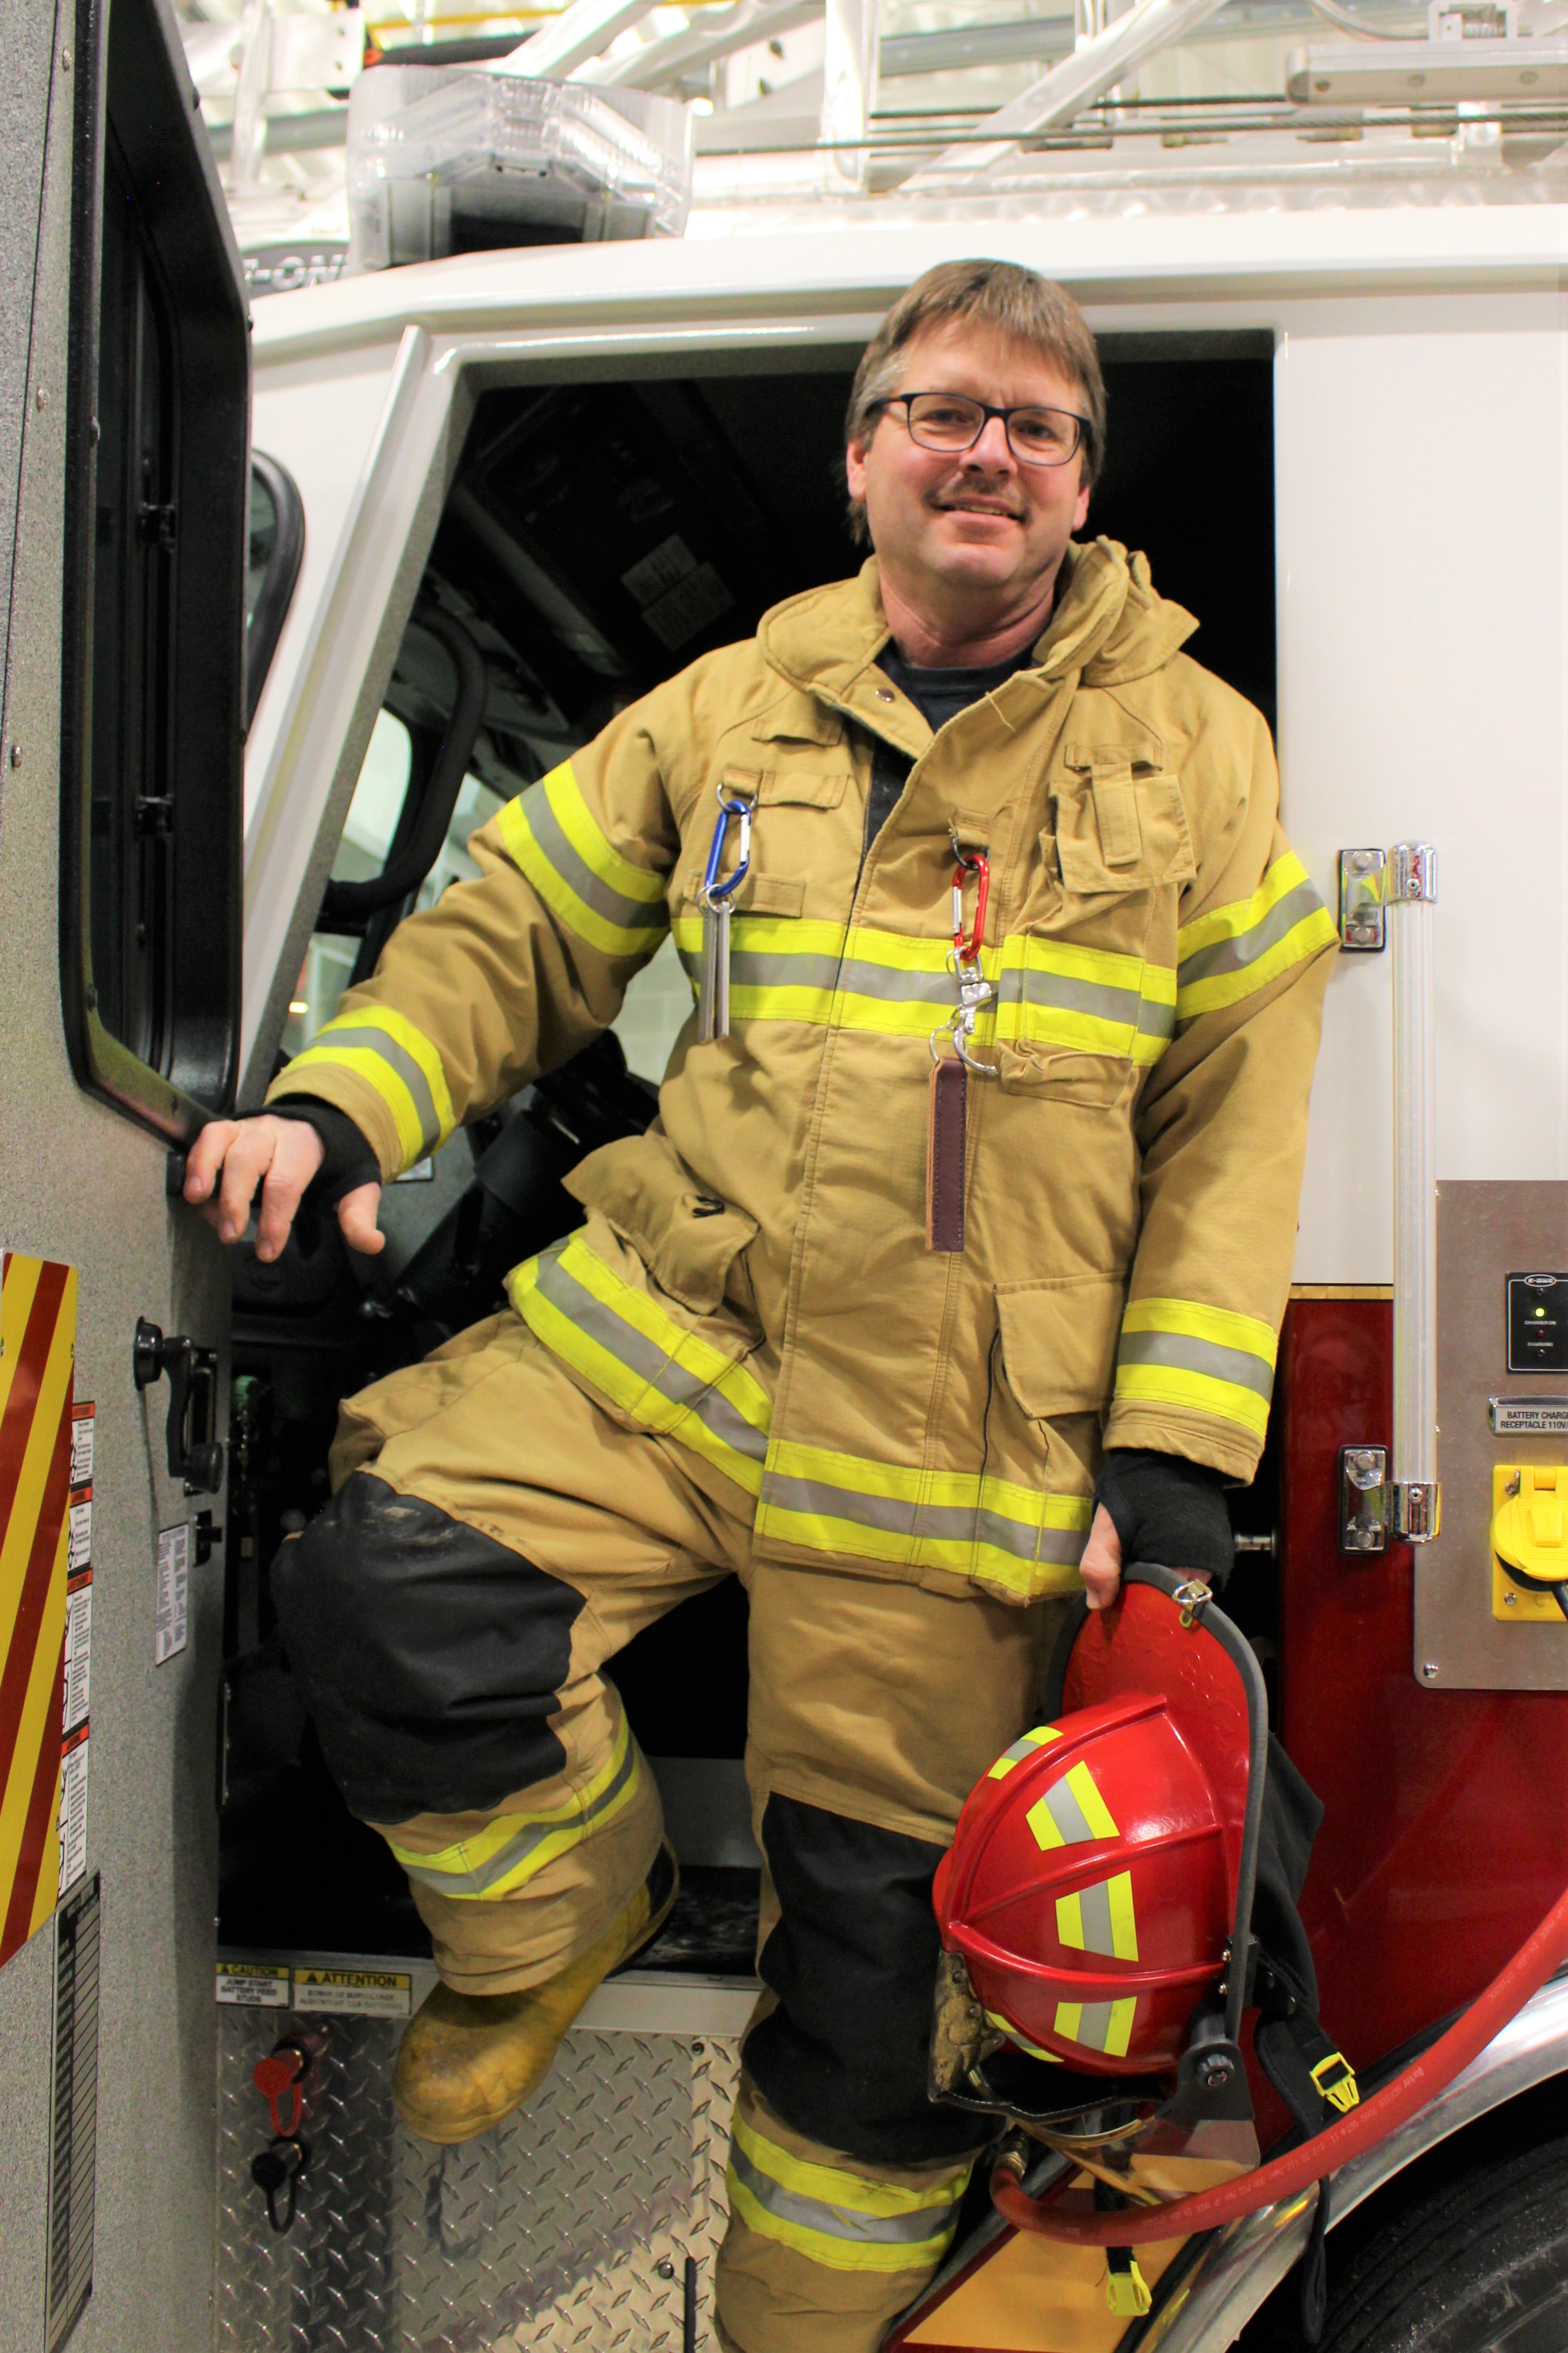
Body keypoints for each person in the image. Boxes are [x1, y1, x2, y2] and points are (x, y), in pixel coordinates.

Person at [187, 259, 1336, 2353]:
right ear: (864, 456)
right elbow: (518, 918)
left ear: (1083, 483)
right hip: (685, 1355)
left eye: (1036, 425)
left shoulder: (1201, 757)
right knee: (391, 1587)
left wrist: (1173, 1475)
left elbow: (1240, 1132)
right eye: (941, 411)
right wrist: (347, 1103)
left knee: (874, 2014)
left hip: (963, 1448)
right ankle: (556, 1922)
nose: (986, 451)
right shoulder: (733, 705)